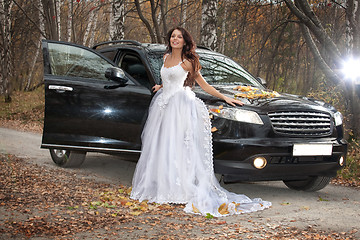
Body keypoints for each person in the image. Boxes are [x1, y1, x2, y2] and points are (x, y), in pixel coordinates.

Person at [130, 27, 271, 217]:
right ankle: (164, 186)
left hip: (180, 106)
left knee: (180, 147)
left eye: (179, 37)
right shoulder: (165, 58)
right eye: (173, 36)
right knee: (163, 146)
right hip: (164, 105)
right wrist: (161, 85)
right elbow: (170, 76)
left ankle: (181, 188)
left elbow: (203, 85)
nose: (175, 39)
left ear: (185, 41)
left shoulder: (188, 62)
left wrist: (225, 98)